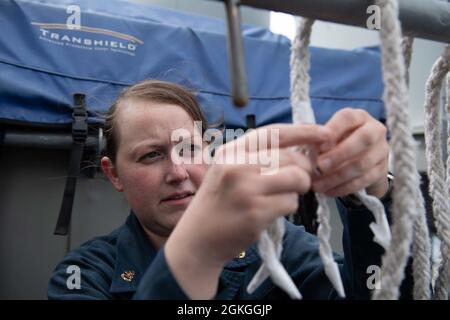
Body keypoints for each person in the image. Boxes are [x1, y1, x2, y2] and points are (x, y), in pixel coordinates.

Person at [48, 79, 412, 300]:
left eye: (189, 149)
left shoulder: (276, 245)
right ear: (114, 175)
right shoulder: (83, 276)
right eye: (150, 155)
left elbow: (377, 292)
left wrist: (372, 194)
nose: (178, 172)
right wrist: (199, 252)